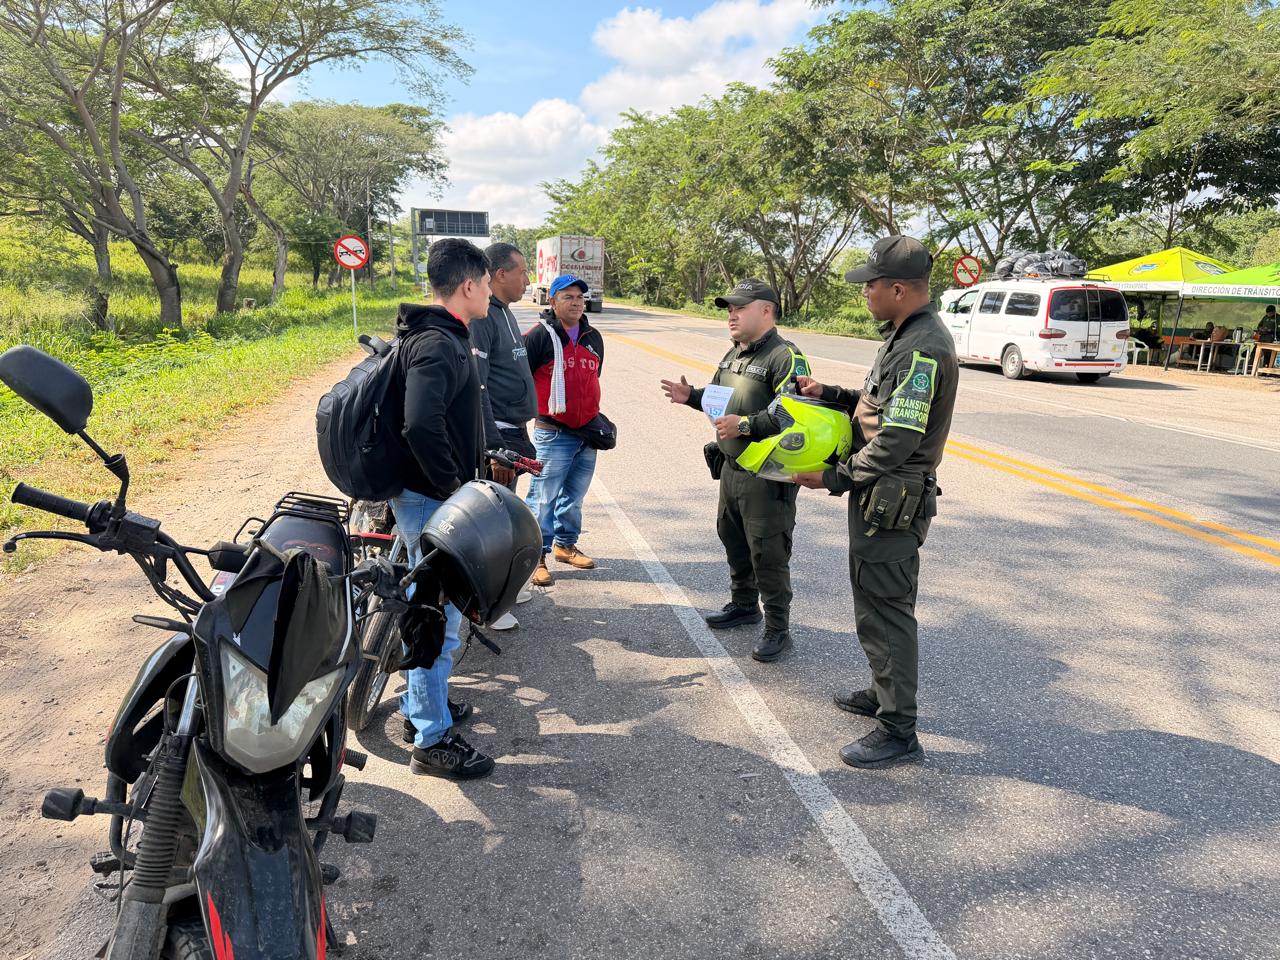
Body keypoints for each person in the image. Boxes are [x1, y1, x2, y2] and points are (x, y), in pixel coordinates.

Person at [791, 236, 958, 769]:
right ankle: (883, 692)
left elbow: (899, 438)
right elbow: (878, 408)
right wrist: (830, 394)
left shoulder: (922, 346)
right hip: (880, 493)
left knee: (887, 609)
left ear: (899, 289)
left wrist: (837, 478)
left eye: (871, 284)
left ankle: (898, 731)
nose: (865, 292)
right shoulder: (903, 336)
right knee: (874, 601)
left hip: (891, 493)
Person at [660, 279, 810, 663]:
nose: (731, 315)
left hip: (766, 475)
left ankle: (778, 628)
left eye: (739, 307)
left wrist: (744, 426)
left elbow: (793, 411)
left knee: (768, 551)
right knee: (733, 538)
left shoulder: (786, 357)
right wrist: (691, 396)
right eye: (729, 309)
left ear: (766, 310)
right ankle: (744, 604)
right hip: (731, 468)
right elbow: (718, 400)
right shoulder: (733, 355)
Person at [392, 238, 496, 780]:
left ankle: (420, 710)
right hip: (431, 501)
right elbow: (420, 425)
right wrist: (457, 490)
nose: (489, 290)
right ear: (468, 285)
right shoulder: (437, 343)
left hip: (429, 496)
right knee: (437, 619)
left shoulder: (441, 335)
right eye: (485, 281)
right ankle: (431, 738)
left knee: (433, 613)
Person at [472, 241, 539, 630]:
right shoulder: (484, 317)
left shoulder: (506, 313)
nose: (527, 280)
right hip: (498, 433)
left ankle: (503, 589)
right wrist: (493, 446)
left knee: (507, 514)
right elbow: (479, 386)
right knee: (494, 520)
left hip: (513, 430)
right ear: (499, 275)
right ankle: (489, 603)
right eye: (522, 272)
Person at [524, 274, 605, 588]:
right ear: (553, 301)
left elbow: (594, 378)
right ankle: (536, 558)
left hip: (588, 432)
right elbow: (523, 381)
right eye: (568, 296)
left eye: (579, 297)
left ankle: (565, 545)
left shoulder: (592, 336)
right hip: (553, 432)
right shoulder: (539, 337)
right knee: (543, 499)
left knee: (574, 497)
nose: (575, 302)